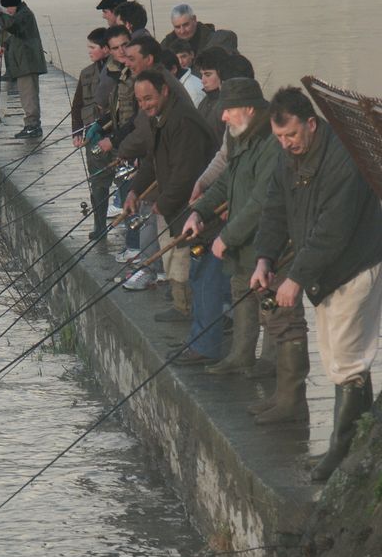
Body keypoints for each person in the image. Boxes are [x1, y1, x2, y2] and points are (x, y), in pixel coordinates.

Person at [251, 87, 382, 478]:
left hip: (355, 264)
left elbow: (332, 231)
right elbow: (275, 207)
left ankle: (341, 454)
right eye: (279, 138)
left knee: (344, 359)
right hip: (323, 270)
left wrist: (294, 278)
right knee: (339, 357)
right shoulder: (287, 155)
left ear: (310, 124)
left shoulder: (343, 158)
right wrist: (265, 258)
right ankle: (358, 445)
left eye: (291, 135)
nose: (286, 143)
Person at [184, 79, 308, 381]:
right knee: (242, 289)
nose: (223, 117)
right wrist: (199, 211)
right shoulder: (241, 134)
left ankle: (271, 365)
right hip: (245, 239)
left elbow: (260, 201)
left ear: (249, 108)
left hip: (273, 239)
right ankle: (241, 354)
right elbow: (228, 179)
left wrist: (227, 236)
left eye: (228, 110)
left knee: (274, 304)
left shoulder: (271, 142)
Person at [123, 70, 215, 338]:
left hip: (190, 204)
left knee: (185, 257)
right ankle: (180, 304)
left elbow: (187, 172)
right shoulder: (158, 118)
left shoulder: (183, 121)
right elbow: (153, 160)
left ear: (164, 91)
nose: (145, 105)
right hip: (172, 201)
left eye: (148, 98)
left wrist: (163, 203)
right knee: (171, 254)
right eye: (140, 101)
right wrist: (134, 190)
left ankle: (190, 311)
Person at [0, 0, 47, 139]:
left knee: (29, 96)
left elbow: (13, 26)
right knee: (27, 95)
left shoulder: (24, 15)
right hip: (24, 64)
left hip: (28, 64)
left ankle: (32, 126)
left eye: (9, 8)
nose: (8, 11)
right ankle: (31, 124)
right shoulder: (21, 15)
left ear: (14, 5)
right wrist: (5, 45)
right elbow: (17, 34)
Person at [71, 28, 112, 239]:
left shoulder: (117, 71)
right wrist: (77, 132)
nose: (89, 51)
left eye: (92, 47)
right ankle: (100, 225)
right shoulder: (86, 73)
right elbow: (77, 105)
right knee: (97, 184)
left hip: (115, 137)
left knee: (121, 184)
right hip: (92, 138)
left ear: (106, 49)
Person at [160, 3, 237, 58]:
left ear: (194, 19)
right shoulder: (166, 44)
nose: (182, 31)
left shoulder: (214, 39)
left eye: (186, 25)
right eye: (177, 27)